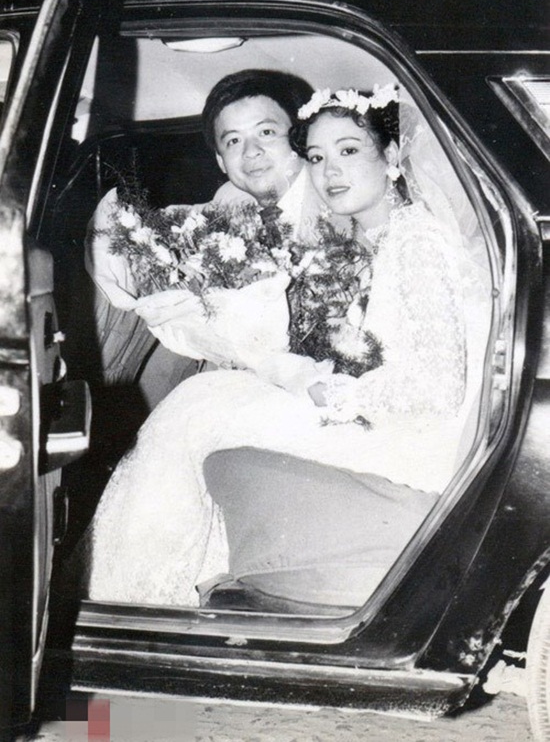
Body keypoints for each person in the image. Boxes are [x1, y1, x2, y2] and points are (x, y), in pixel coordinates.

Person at [83, 85, 472, 609]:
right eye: (318, 157)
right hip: (376, 409)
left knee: (194, 408)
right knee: (201, 400)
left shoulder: (417, 242)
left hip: (410, 437)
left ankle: (132, 599)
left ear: (393, 156)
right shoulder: (374, 236)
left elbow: (437, 390)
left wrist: (334, 394)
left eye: (349, 150)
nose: (330, 171)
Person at [84, 69, 318, 400]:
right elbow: (176, 225)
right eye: (233, 140)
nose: (250, 151)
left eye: (266, 132)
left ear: (300, 139)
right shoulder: (231, 198)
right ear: (221, 161)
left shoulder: (334, 202)